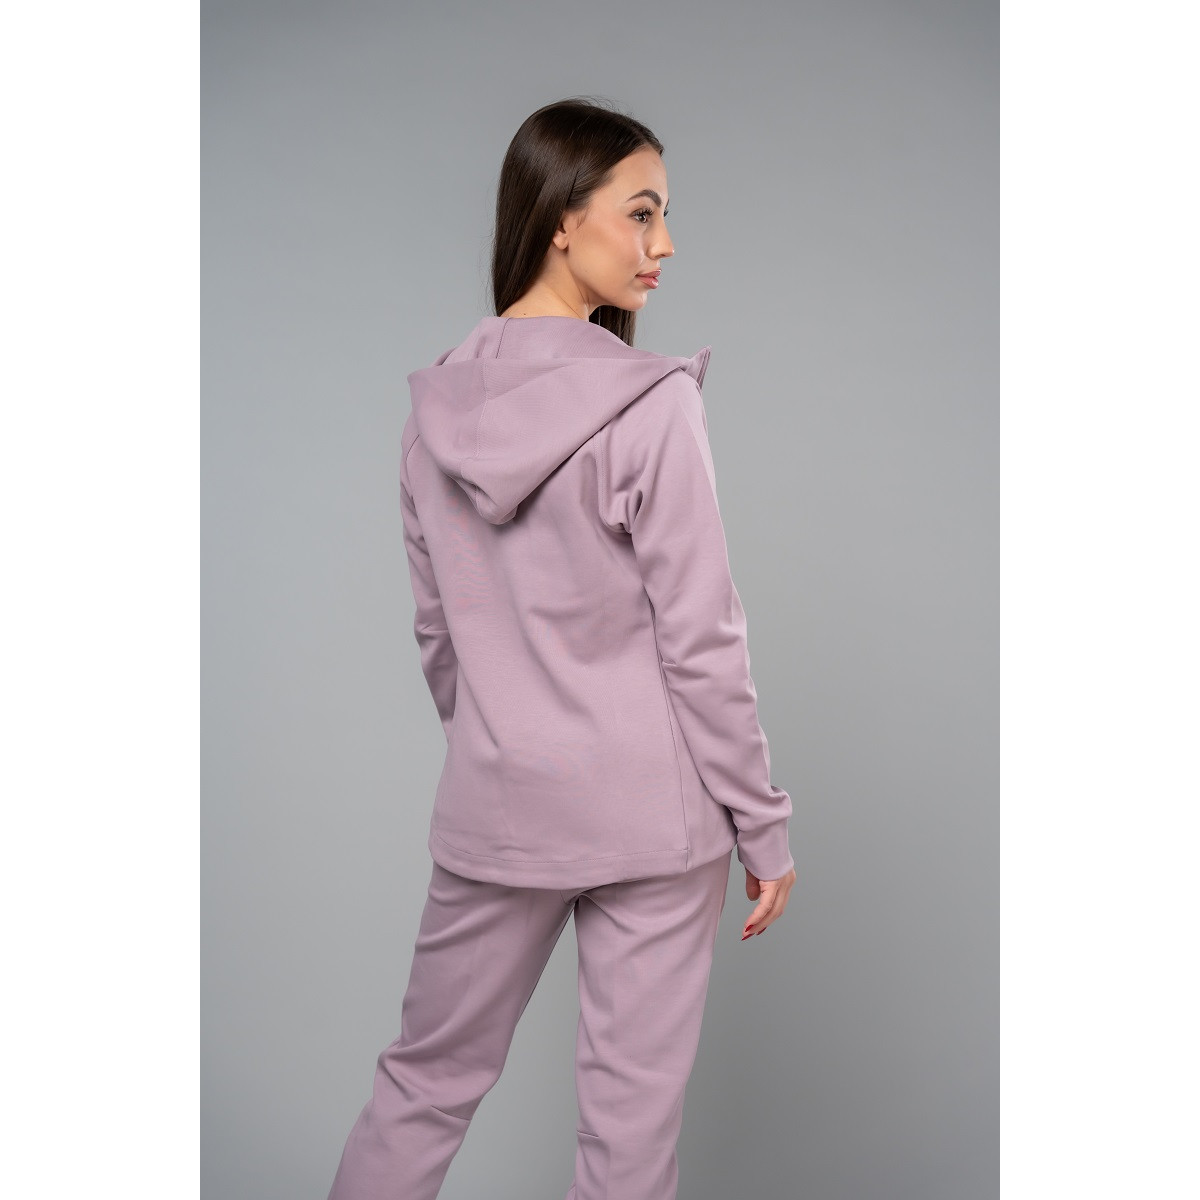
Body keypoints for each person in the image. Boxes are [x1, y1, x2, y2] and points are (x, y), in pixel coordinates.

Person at [326, 96, 798, 1200]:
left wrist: (508, 745)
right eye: (641, 213)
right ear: (558, 220)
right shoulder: (652, 405)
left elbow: (440, 635)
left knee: (423, 1084)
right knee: (627, 1139)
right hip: (653, 821)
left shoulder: (433, 413)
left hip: (498, 811)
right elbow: (704, 639)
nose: (664, 244)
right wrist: (763, 825)